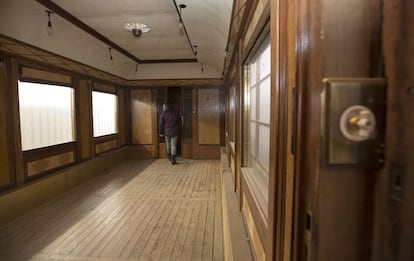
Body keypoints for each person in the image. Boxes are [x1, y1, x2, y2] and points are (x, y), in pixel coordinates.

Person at [159, 100, 181, 165]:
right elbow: (179, 122)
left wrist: (161, 132)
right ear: (173, 105)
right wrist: (179, 128)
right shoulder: (176, 113)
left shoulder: (164, 113)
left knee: (168, 144)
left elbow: (161, 123)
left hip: (167, 131)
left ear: (167, 105)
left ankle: (169, 156)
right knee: (173, 145)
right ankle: (173, 159)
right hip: (175, 131)